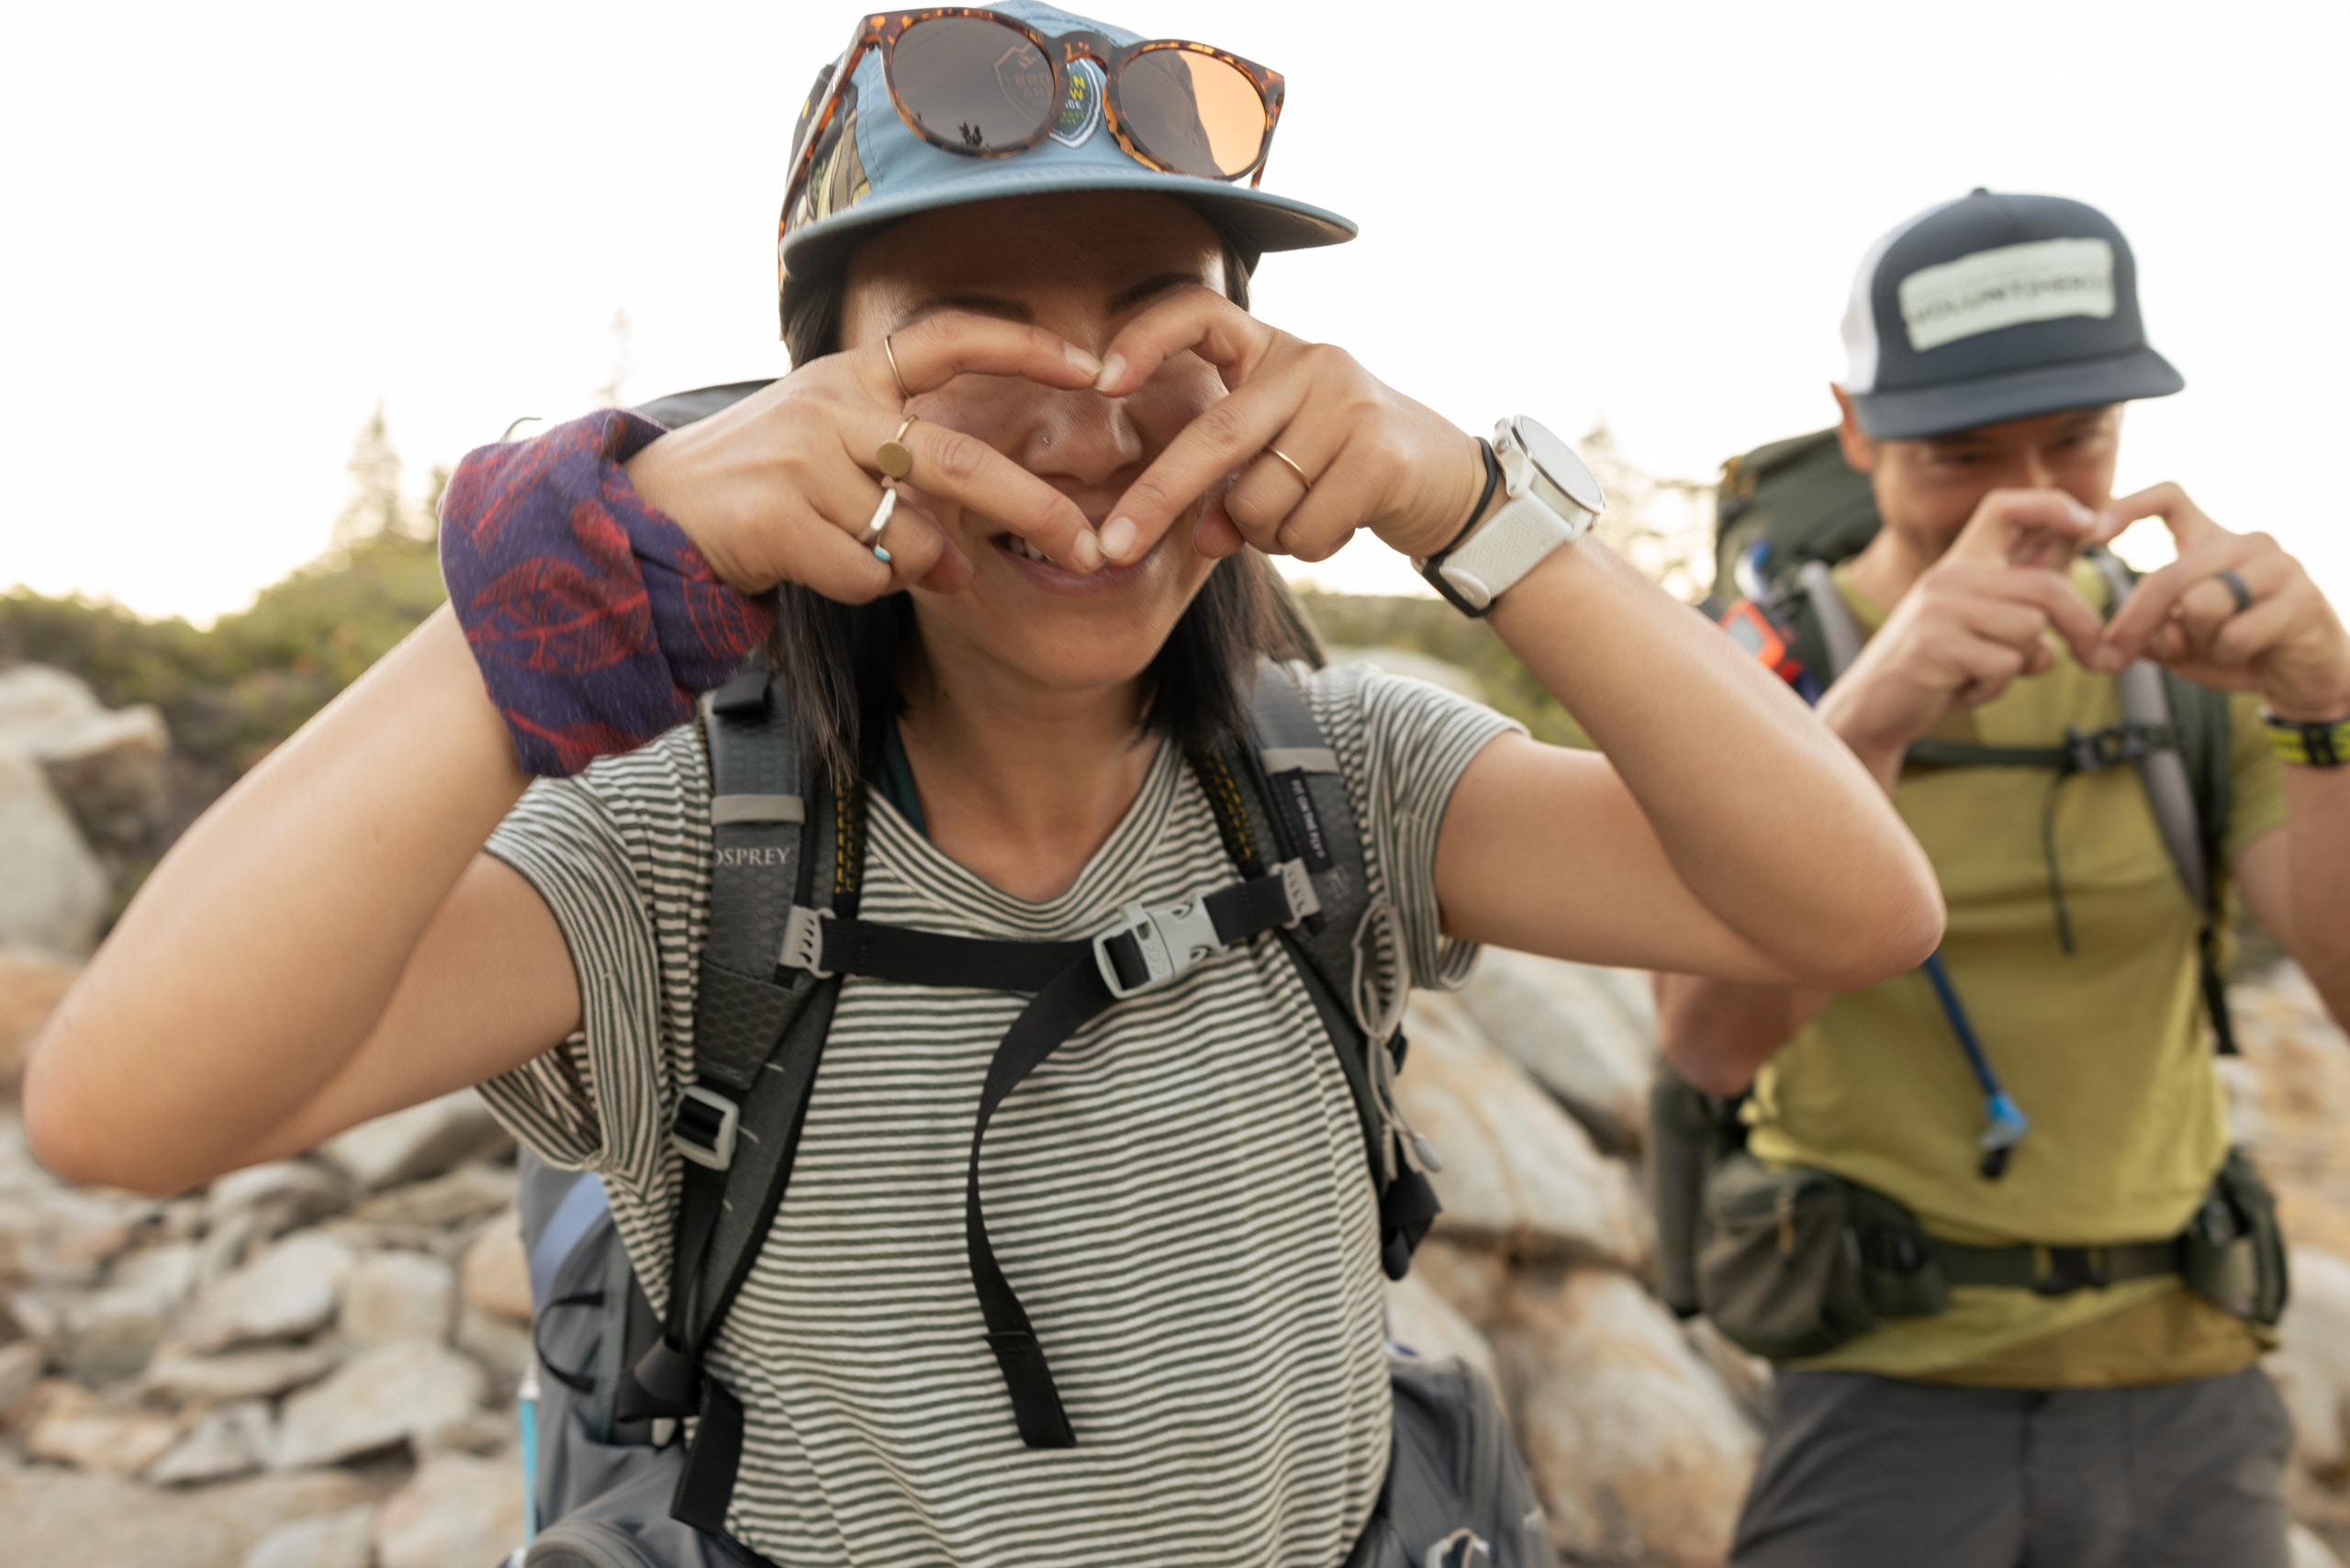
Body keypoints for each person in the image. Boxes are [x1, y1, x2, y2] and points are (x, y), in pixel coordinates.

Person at [23, 6, 1941, 1564]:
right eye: (974, 339)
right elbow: (123, 1106)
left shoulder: (1343, 771)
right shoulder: (681, 852)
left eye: (1157, 325)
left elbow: (1849, 905)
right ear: (812, 399)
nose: (1087, 420)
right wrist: (573, 580)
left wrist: (1471, 506)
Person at [1662, 190, 2350, 1567]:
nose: (2032, 495)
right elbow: (1709, 1045)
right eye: (1963, 452)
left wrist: (2324, 706)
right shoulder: (1750, 669)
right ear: (1856, 428)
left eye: (2080, 441)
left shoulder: (2203, 673)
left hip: (2188, 1376)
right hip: (1879, 1382)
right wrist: (1870, 719)